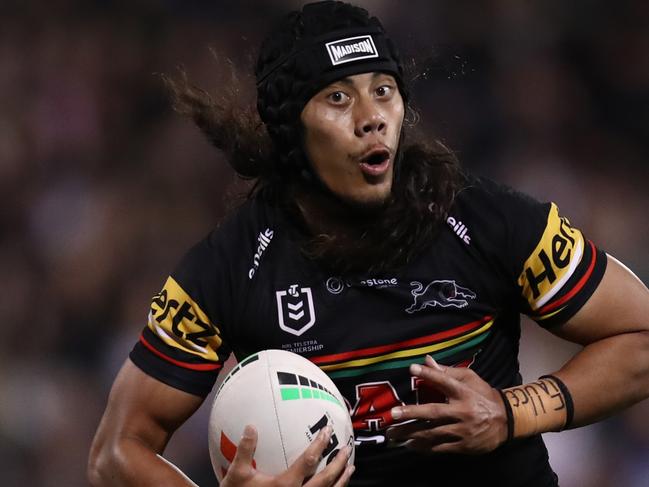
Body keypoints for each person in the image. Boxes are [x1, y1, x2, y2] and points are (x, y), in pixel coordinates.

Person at [88, 1, 649, 486]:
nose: (371, 118)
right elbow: (117, 451)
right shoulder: (233, 266)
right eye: (337, 98)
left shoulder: (484, 220)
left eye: (383, 91)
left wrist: (511, 411)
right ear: (289, 131)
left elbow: (640, 335)